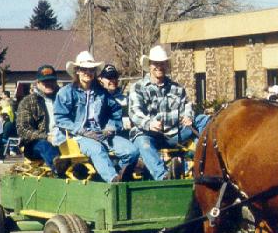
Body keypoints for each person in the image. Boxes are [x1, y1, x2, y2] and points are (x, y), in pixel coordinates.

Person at [54, 51, 139, 183]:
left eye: (91, 69)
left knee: (132, 151)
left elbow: (115, 111)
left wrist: (110, 127)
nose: (88, 72)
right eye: (84, 69)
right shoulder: (66, 92)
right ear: (77, 70)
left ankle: (121, 175)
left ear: (95, 72)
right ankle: (113, 180)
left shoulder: (102, 93)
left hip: (101, 132)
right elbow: (60, 118)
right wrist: (82, 131)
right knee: (97, 149)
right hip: (76, 136)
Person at [129, 44, 209, 180]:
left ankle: (209, 161)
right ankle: (164, 176)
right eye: (156, 63)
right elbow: (134, 112)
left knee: (203, 120)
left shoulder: (177, 88)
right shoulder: (138, 87)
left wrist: (188, 116)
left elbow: (187, 105)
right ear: (149, 65)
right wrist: (149, 123)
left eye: (162, 63)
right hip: (151, 136)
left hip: (175, 134)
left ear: (166, 65)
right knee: (142, 141)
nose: (159, 66)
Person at [17, 65, 63, 171]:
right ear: (37, 83)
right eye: (44, 82)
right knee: (45, 146)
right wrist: (47, 137)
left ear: (56, 82)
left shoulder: (64, 99)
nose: (48, 84)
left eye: (51, 81)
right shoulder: (28, 102)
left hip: (63, 139)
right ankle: (61, 170)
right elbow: (23, 129)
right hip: (36, 144)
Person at [98, 64, 130, 135]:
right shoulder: (98, 99)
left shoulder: (125, 99)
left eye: (115, 77)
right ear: (100, 79)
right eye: (109, 77)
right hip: (106, 134)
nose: (113, 80)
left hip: (125, 133)